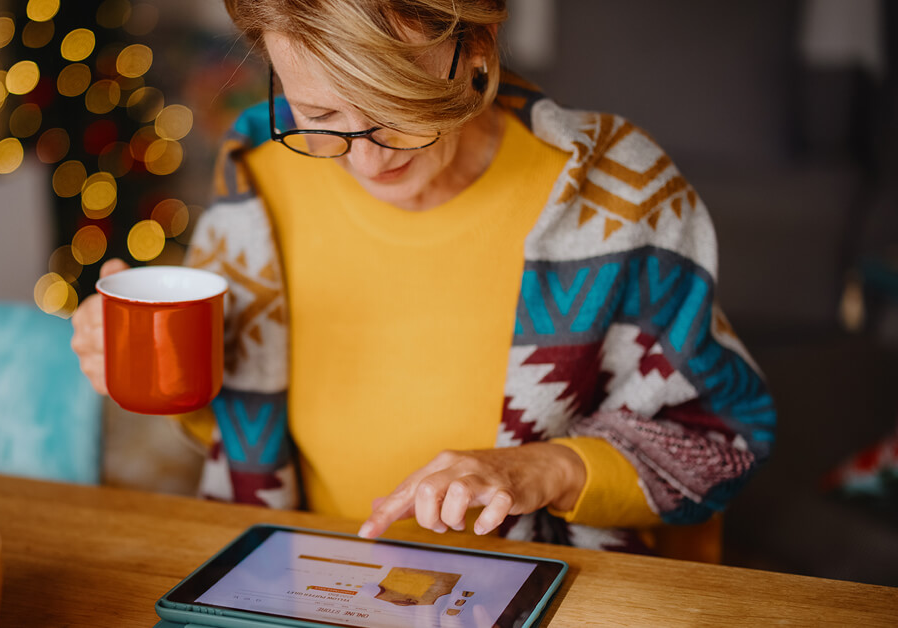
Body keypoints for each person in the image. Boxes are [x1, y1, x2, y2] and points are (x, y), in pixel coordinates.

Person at [72, 0, 776, 556]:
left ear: (477, 43)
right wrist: (154, 369)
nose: (367, 163)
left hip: (549, 591)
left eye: (398, 111)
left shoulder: (616, 194)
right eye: (319, 115)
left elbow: (720, 435)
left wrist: (537, 471)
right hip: (296, 586)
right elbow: (237, 426)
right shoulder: (257, 174)